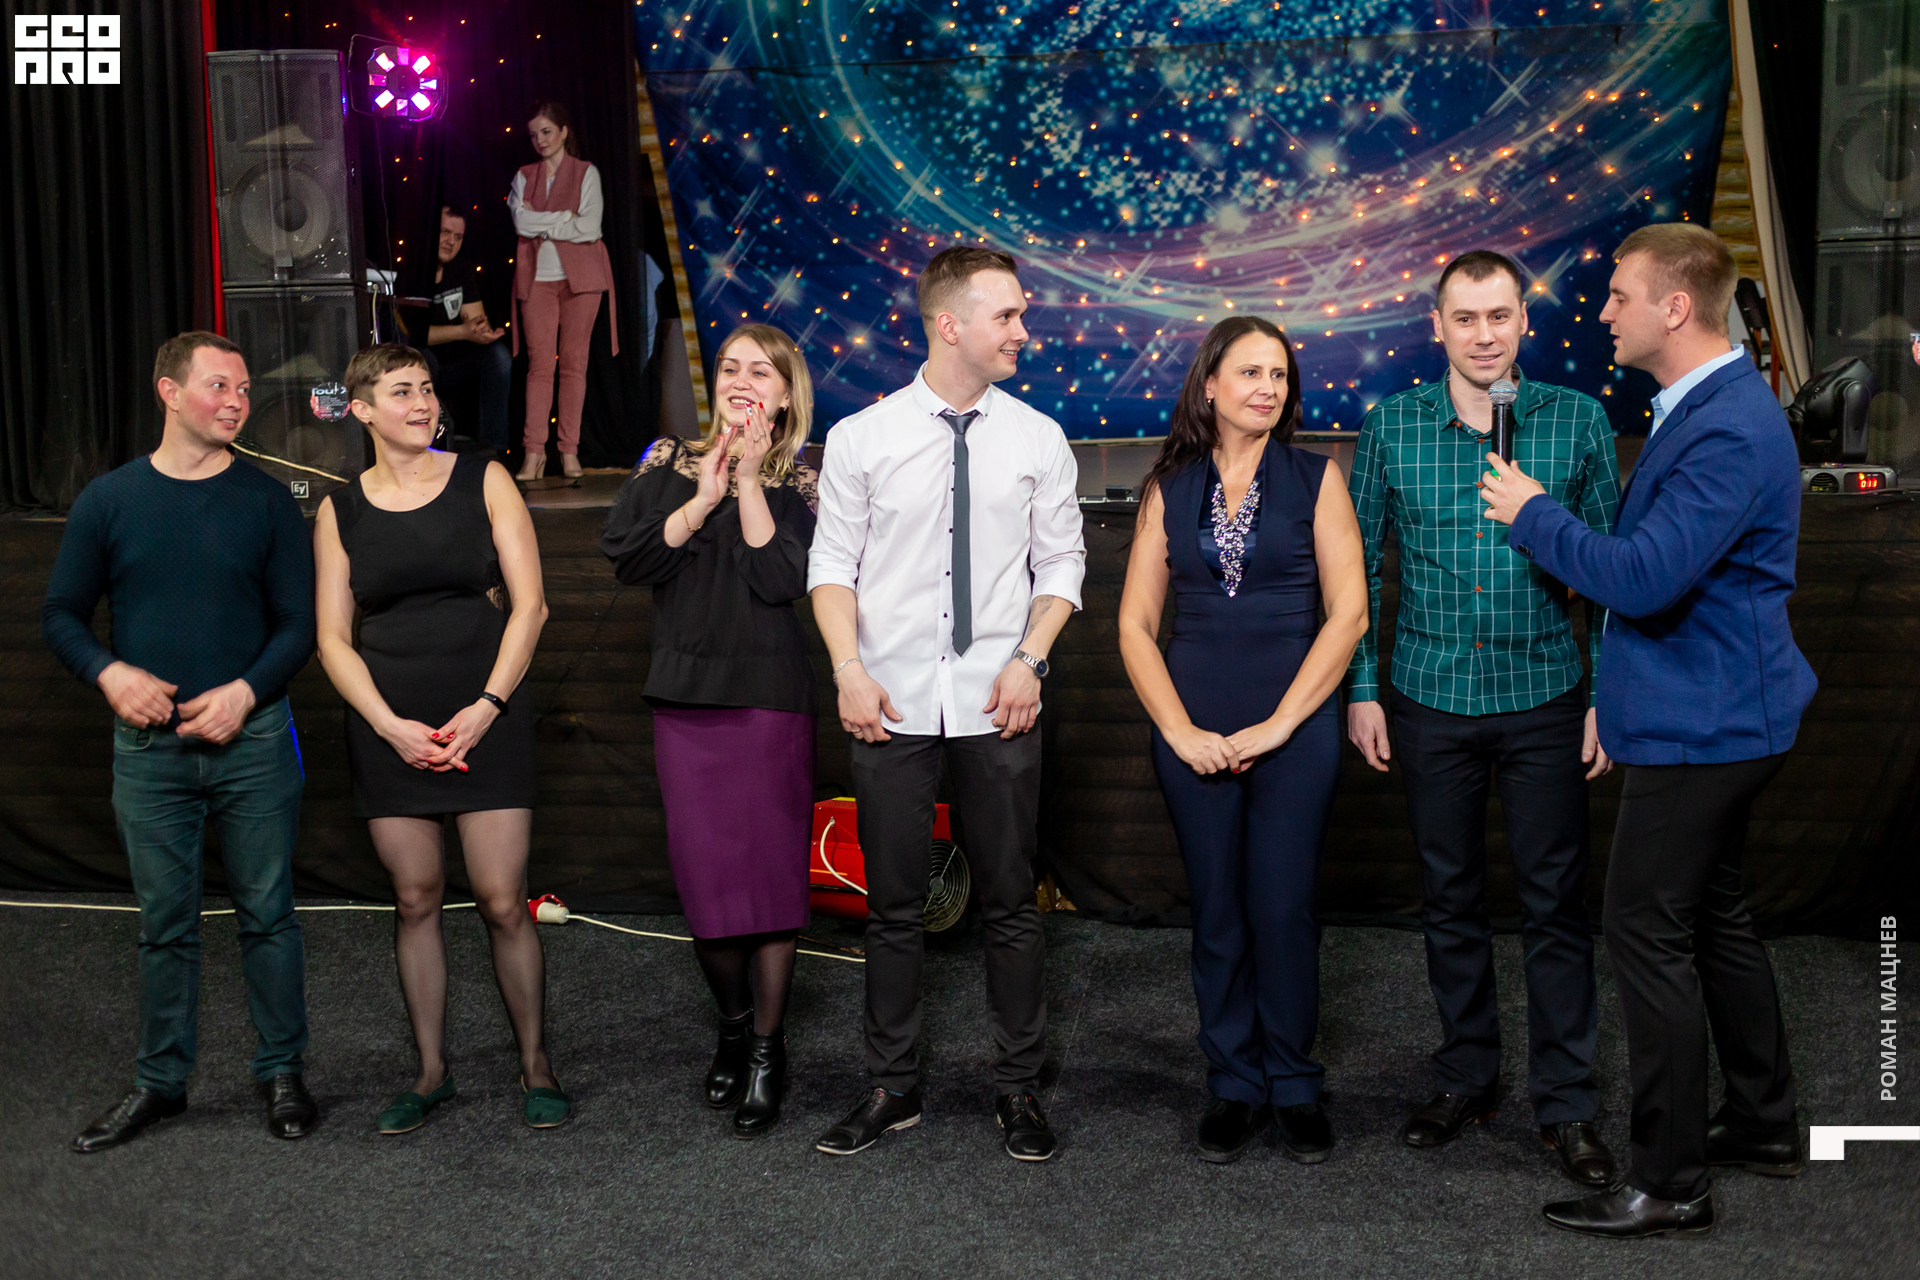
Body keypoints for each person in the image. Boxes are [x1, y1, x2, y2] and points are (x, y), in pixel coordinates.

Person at [1483, 223, 1816, 1239]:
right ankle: (1762, 1122)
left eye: (1622, 294)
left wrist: (1534, 513)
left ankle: (1670, 1181)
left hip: (1708, 725)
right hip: (1714, 711)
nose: (1605, 311)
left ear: (1676, 307)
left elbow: (1642, 579)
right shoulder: (1709, 407)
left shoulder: (1726, 428)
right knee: (1711, 914)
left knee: (1645, 930)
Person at [1346, 250, 1623, 1188]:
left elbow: (1612, 575)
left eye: (1499, 315)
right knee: (1449, 896)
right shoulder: (1392, 426)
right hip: (1429, 697)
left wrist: (1605, 700)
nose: (1483, 334)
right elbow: (1358, 571)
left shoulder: (1578, 421)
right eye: (1464, 318)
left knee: (1555, 906)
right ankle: (1467, 1077)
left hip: (1546, 695)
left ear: (1524, 322)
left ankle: (1567, 1104)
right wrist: (1363, 688)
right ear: (1437, 326)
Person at [807, 246, 1085, 1162]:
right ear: (949, 324)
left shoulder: (1037, 437)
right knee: (894, 907)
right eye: (1008, 316)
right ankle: (892, 1087)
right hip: (886, 701)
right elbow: (831, 566)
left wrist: (1031, 661)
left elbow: (1063, 564)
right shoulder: (862, 438)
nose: (1023, 332)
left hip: (999, 702)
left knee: (1009, 902)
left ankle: (1019, 1088)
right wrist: (848, 669)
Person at [43, 331, 318, 1151]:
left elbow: (298, 624)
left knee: (269, 914)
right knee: (165, 924)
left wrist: (245, 691)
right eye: (219, 386)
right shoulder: (109, 501)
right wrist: (107, 672)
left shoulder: (267, 501)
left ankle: (283, 1071)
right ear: (168, 392)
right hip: (150, 750)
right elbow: (61, 614)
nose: (238, 401)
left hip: (254, 739)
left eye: (243, 388)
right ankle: (160, 1083)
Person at [1117, 317, 1367, 1164]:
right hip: (1191, 731)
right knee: (1218, 912)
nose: (1268, 387)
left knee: (1283, 910)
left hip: (1295, 726)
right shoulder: (1169, 486)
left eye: (1280, 375)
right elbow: (1135, 625)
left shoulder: (1317, 478)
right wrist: (1179, 730)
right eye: (1251, 372)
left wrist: (1282, 723)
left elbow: (1349, 615)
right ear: (1211, 384)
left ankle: (1293, 1083)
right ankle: (1233, 1082)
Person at [312, 343, 566, 1133]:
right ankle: (430, 1073)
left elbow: (530, 607)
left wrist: (488, 706)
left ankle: (536, 1065)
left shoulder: (483, 477)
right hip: (390, 721)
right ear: (362, 410)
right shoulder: (340, 509)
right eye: (401, 392)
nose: (421, 403)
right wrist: (387, 726)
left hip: (486, 710)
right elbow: (332, 638)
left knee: (501, 899)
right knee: (415, 897)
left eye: (426, 388)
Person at [600, 324, 820, 1139]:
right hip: (687, 701)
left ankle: (766, 1048)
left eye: (760, 371)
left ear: (785, 394)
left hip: (769, 700)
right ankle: (732, 1024)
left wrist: (751, 482)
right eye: (730, 367)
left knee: (769, 885)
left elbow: (783, 577)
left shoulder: (807, 478)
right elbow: (627, 557)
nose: (741, 381)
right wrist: (702, 498)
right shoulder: (666, 461)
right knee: (707, 886)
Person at [509, 100, 617, 481]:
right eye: (534, 134)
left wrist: (541, 221)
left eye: (547, 132)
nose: (540, 140)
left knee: (574, 365)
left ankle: (569, 451)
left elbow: (590, 227)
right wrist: (563, 218)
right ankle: (534, 453)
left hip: (581, 280)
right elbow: (520, 224)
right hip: (537, 279)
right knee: (540, 366)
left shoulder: (586, 173)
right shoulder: (524, 176)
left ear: (564, 132)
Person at [403, 205, 510, 451]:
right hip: (423, 361)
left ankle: (492, 450)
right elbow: (412, 335)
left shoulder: (461, 268)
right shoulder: (412, 271)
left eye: (458, 236)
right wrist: (463, 331)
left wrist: (483, 334)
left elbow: (477, 322)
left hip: (457, 360)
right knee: (424, 358)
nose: (451, 242)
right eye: (445, 233)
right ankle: (428, 446)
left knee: (498, 356)